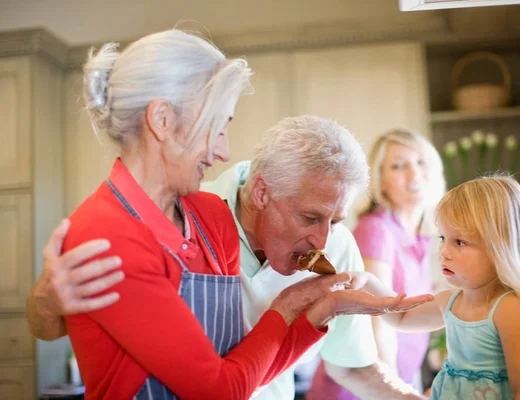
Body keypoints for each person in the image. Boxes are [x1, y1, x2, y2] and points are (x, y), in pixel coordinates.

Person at [31, 30, 428, 400]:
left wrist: (322, 308)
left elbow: (251, 368)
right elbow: (217, 390)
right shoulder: (108, 234)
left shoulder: (209, 216)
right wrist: (292, 306)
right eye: (217, 127)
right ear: (163, 120)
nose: (224, 151)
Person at [351, 175, 520, 399]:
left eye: (459, 242)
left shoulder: (512, 310)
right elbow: (400, 317)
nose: (443, 252)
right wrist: (369, 283)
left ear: (500, 248)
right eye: (443, 238)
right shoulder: (449, 302)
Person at [309, 129, 446, 399]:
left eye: (420, 162)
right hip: (359, 390)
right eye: (398, 166)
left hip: (393, 381)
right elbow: (378, 321)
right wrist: (396, 392)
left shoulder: (419, 236)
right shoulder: (377, 230)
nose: (414, 173)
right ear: (381, 182)